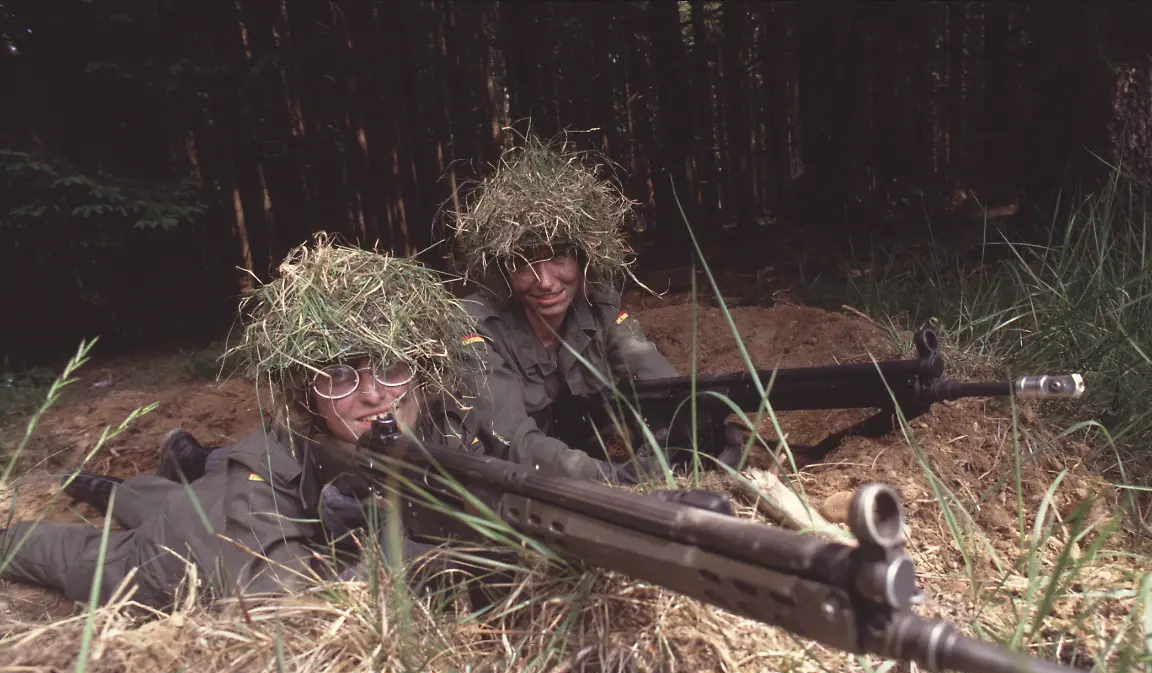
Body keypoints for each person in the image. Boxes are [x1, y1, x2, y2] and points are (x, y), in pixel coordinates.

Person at [0, 234, 486, 609]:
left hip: (216, 499)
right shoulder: (268, 458)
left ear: (422, 368)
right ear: (306, 397)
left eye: (392, 365)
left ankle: (109, 489)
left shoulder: (444, 426)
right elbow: (284, 604)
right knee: (88, 559)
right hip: (191, 545)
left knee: (173, 495)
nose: (375, 393)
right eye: (338, 377)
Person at [448, 135, 689, 484]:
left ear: (583, 258)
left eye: (558, 256)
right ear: (502, 270)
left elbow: (663, 387)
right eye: (522, 263)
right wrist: (613, 477)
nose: (545, 281)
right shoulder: (477, 327)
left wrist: (684, 435)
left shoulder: (598, 307)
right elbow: (512, 443)